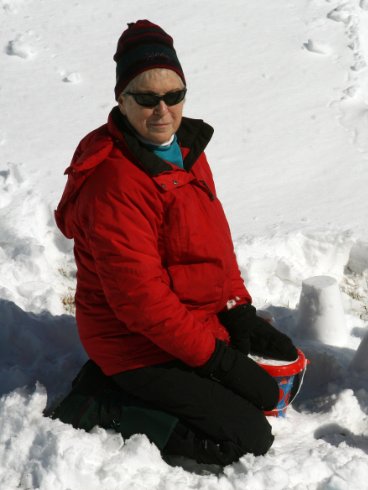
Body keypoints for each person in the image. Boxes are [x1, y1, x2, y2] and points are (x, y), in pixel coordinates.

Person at [51, 20, 298, 466]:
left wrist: (237, 307)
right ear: (121, 100)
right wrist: (218, 362)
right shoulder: (114, 185)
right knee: (244, 438)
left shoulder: (186, 151)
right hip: (132, 342)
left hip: (185, 324)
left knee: (261, 389)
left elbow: (216, 243)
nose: (163, 109)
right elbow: (141, 303)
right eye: (146, 98)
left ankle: (117, 383)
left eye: (174, 95)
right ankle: (101, 403)